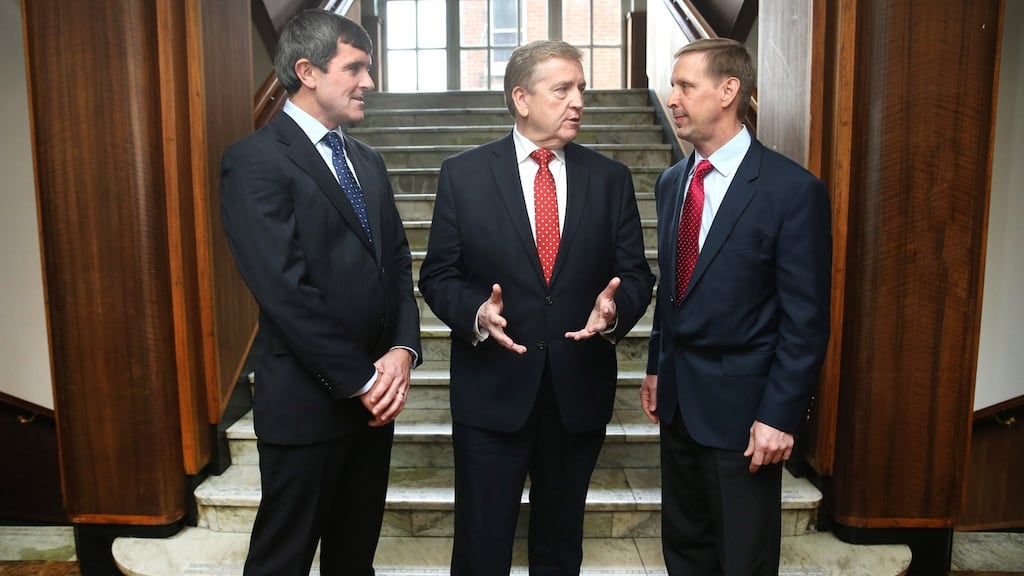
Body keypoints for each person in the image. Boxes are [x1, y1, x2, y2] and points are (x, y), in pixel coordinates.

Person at [418, 40, 654, 575]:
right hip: (491, 392)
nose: (577, 102)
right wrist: (477, 313)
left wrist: (613, 314)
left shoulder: (610, 179)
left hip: (577, 393)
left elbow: (637, 275)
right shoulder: (465, 174)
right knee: (481, 547)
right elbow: (438, 274)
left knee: (559, 545)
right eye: (562, 89)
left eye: (581, 90)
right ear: (521, 98)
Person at [219, 10, 421, 576]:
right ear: (307, 71)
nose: (370, 82)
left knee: (354, 560)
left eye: (369, 68)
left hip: (373, 411)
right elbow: (286, 292)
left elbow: (397, 265)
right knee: (281, 561)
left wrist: (402, 353)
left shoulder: (368, 161)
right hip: (308, 409)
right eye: (355, 67)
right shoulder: (254, 162)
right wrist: (362, 380)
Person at [640, 37, 832, 575]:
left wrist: (779, 415)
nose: (672, 97)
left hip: (746, 418)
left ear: (729, 91)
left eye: (685, 86)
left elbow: (806, 322)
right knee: (686, 552)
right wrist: (656, 366)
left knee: (742, 561)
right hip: (678, 407)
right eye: (672, 86)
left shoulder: (793, 191)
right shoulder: (672, 182)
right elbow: (673, 290)